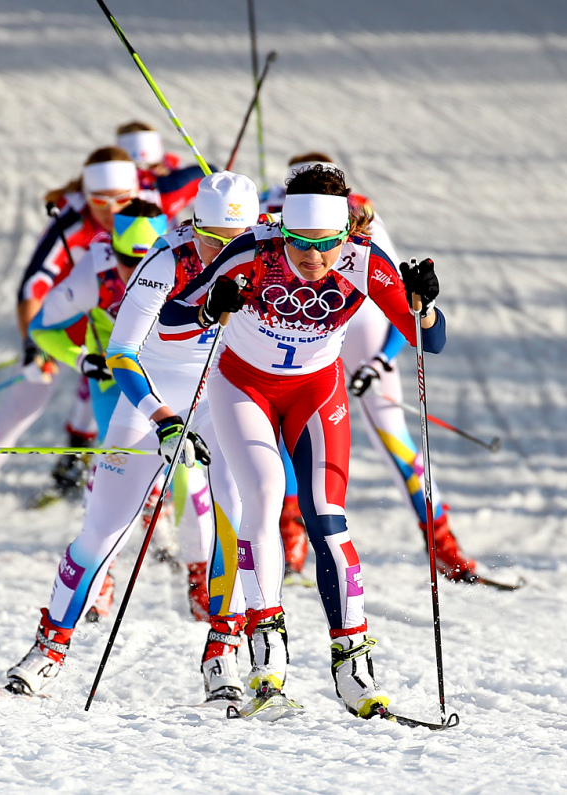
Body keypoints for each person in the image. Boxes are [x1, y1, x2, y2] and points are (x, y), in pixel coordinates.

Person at [157, 164, 446, 718]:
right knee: (264, 496)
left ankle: (354, 668)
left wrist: (424, 304)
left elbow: (428, 342)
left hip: (316, 389)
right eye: (299, 242)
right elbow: (171, 321)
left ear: (344, 234)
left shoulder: (364, 260)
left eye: (325, 244)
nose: (312, 257)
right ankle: (267, 661)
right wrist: (210, 307)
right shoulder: (251, 250)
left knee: (326, 517)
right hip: (243, 385)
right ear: (283, 229)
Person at [4, 172, 260, 700]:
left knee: (234, 522)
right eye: (212, 238)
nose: (224, 252)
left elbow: (324, 245)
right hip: (152, 400)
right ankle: (48, 650)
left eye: (236, 240)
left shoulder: (268, 254)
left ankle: (223, 654)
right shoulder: (163, 261)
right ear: (193, 226)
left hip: (225, 399)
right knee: (102, 530)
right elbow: (122, 353)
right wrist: (163, 418)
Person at [0, 147, 140, 551]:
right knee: (23, 405)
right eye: (99, 201)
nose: (110, 211)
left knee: (124, 411)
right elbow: (32, 287)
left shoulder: (145, 219)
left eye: (120, 199)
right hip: (59, 328)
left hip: (110, 330)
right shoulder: (71, 224)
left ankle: (147, 512)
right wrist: (34, 347)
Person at [264, 153, 477, 583]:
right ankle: (290, 540)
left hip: (361, 329)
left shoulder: (362, 222)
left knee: (393, 438)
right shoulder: (271, 212)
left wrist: (379, 362)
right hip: (304, 329)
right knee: (284, 427)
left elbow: (406, 305)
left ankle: (443, 544)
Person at [116, 121, 206, 220]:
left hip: (170, 228)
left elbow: (199, 198)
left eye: (152, 166)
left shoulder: (171, 165)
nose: (150, 171)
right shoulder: (120, 181)